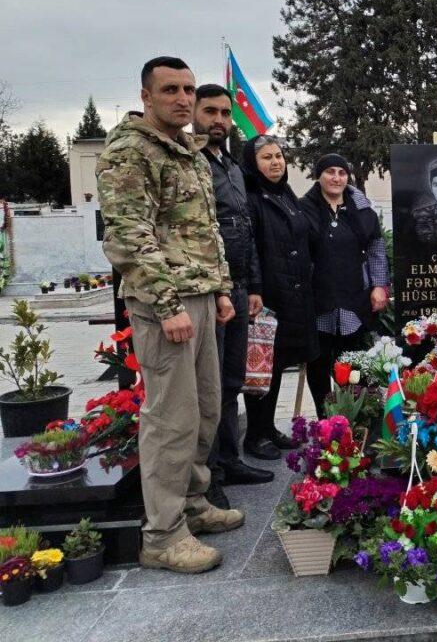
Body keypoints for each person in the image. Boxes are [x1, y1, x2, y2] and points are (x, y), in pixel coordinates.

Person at [96, 56, 243, 574]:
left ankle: (193, 504)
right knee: (170, 417)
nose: (183, 99)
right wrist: (166, 304)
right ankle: (162, 534)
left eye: (187, 89)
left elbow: (205, 229)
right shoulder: (130, 152)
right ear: (146, 97)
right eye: (170, 90)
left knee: (205, 408)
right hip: (165, 305)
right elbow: (128, 236)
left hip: (199, 296)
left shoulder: (188, 150)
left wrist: (220, 289)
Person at [192, 85, 274, 508]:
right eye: (210, 112)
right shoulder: (192, 163)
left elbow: (245, 229)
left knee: (231, 380)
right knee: (208, 386)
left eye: (225, 113)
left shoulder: (232, 167)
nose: (219, 120)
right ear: (194, 113)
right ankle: (208, 475)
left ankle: (229, 458)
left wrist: (254, 286)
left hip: (240, 288)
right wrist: (224, 289)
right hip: (211, 290)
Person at [241, 135, 318, 460]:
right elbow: (249, 249)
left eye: (278, 156)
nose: (275, 162)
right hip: (267, 296)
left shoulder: (285, 193)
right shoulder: (251, 198)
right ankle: (255, 435)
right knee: (261, 366)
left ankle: (269, 427)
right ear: (252, 164)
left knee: (277, 364)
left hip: (293, 293)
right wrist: (255, 288)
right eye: (267, 158)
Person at [300, 153, 390, 418]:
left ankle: (354, 419)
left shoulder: (362, 212)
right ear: (319, 176)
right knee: (318, 364)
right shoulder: (303, 209)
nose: (336, 178)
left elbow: (376, 250)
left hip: (354, 298)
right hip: (318, 298)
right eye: (330, 172)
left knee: (353, 366)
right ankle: (326, 420)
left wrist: (379, 285)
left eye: (341, 172)